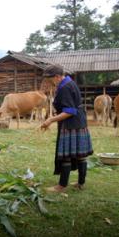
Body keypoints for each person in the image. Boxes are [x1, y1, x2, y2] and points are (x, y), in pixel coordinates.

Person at [40, 64, 93, 193]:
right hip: (79, 122)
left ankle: (61, 186)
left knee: (66, 155)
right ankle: (81, 183)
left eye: (50, 79)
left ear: (57, 77)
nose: (49, 82)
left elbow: (69, 111)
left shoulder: (65, 87)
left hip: (71, 124)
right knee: (80, 155)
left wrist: (51, 120)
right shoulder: (70, 82)